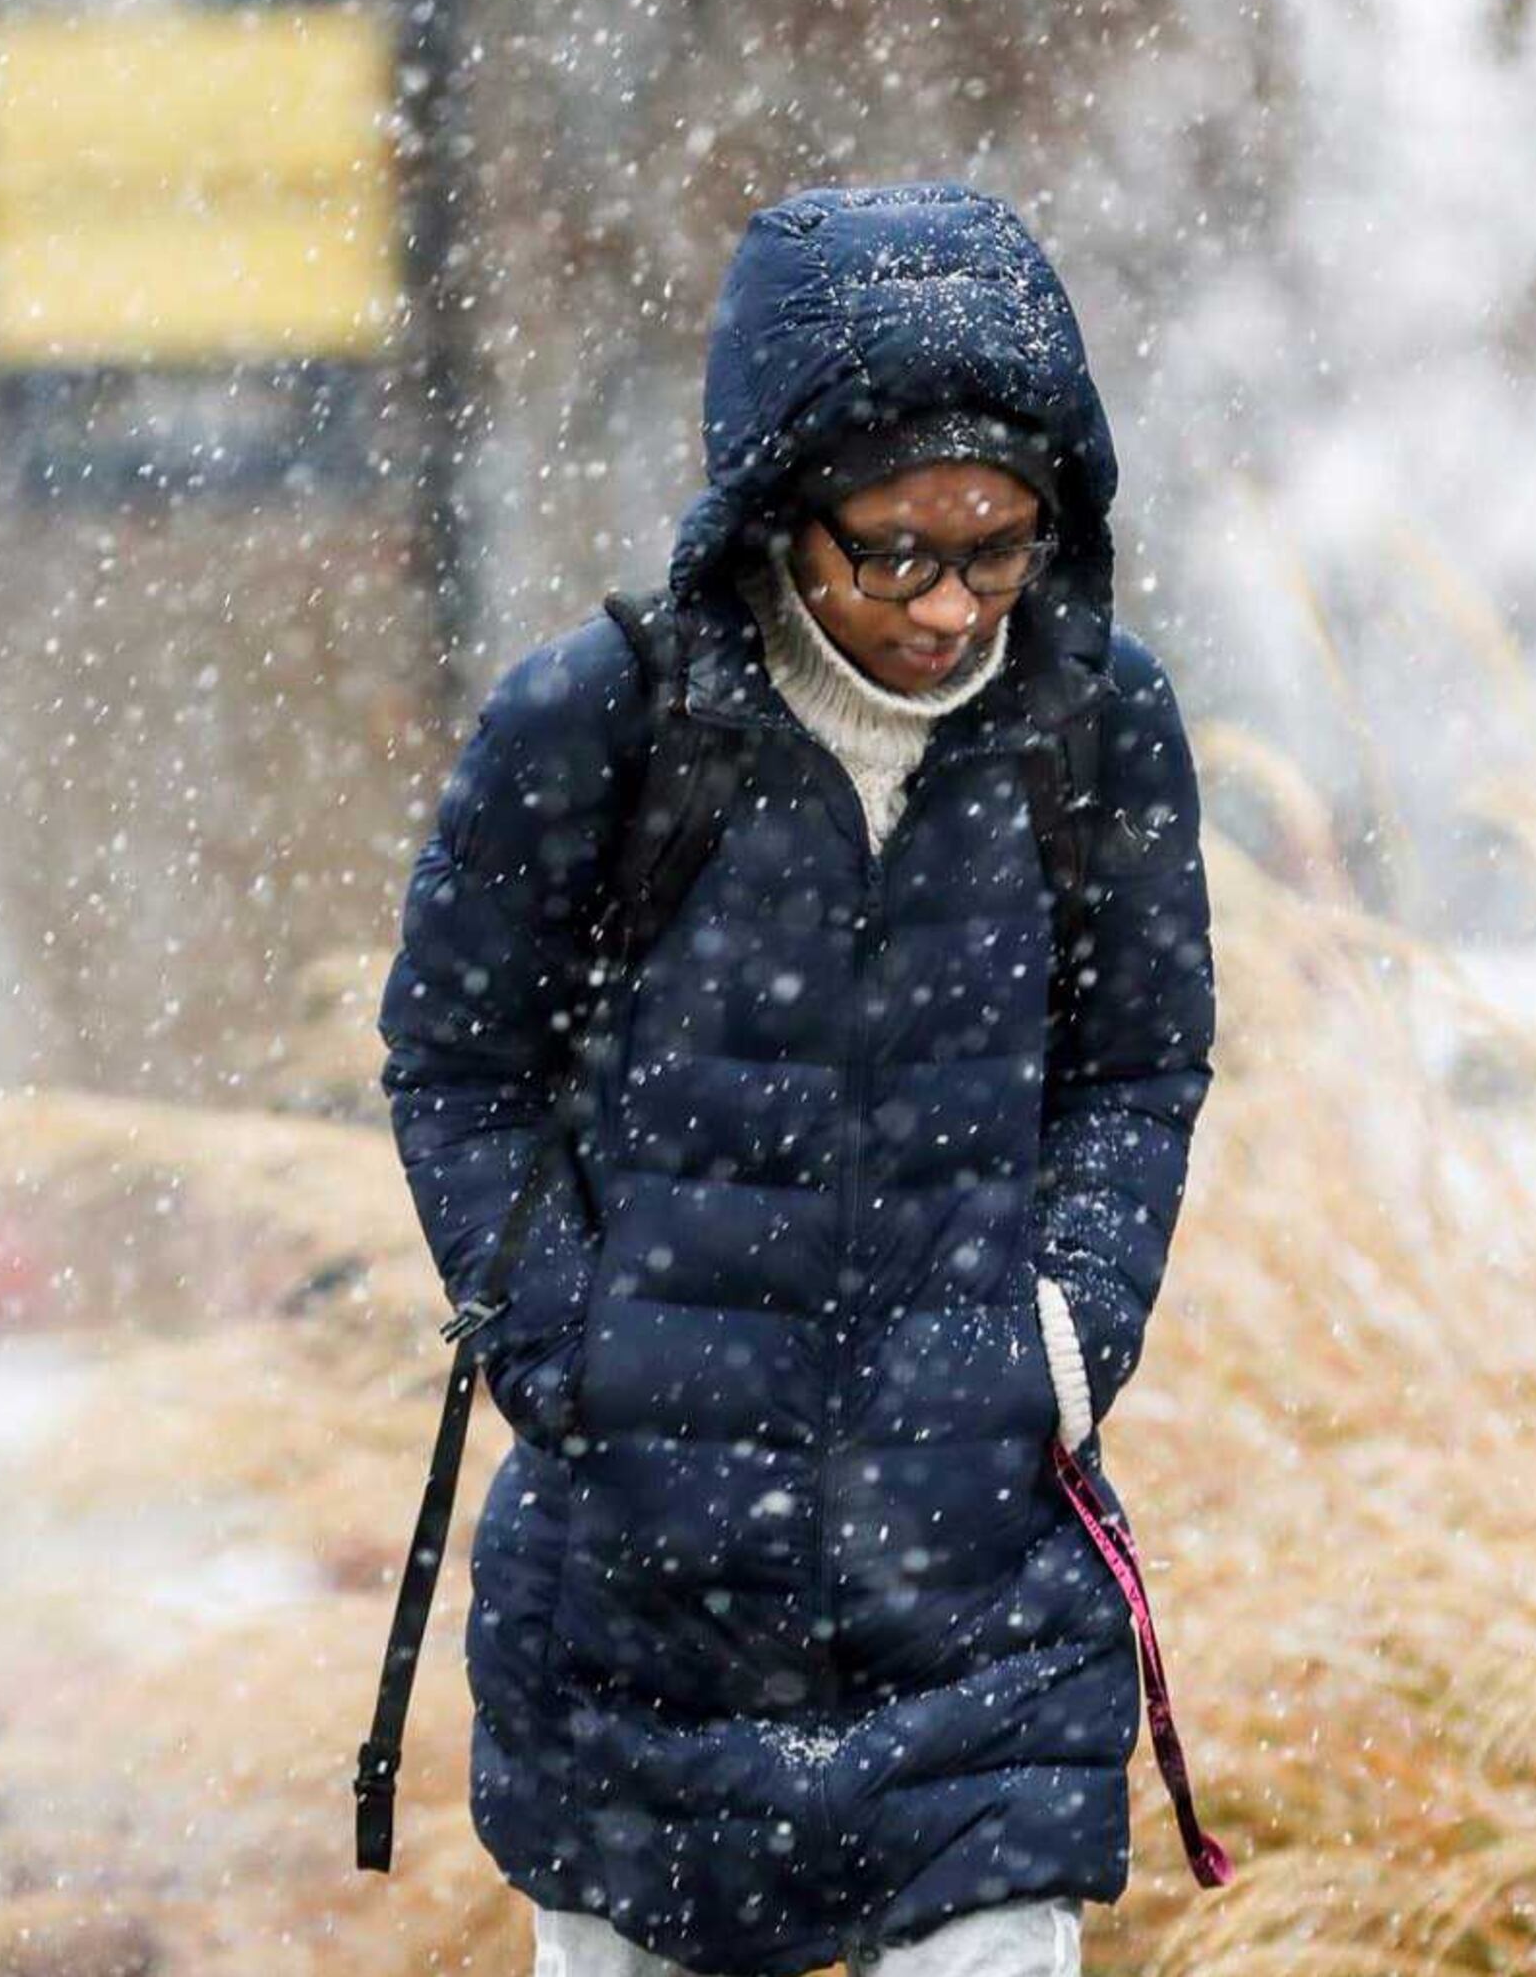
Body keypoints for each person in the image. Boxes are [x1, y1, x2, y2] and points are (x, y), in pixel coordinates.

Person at [378, 182, 1219, 1977]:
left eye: (998, 548)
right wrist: (569, 1353)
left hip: (978, 1590)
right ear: (778, 514)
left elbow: (1142, 1066)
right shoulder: (596, 725)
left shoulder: (1098, 728)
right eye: (897, 548)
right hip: (639, 1604)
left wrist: (1063, 1342)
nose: (947, 604)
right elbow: (454, 1067)